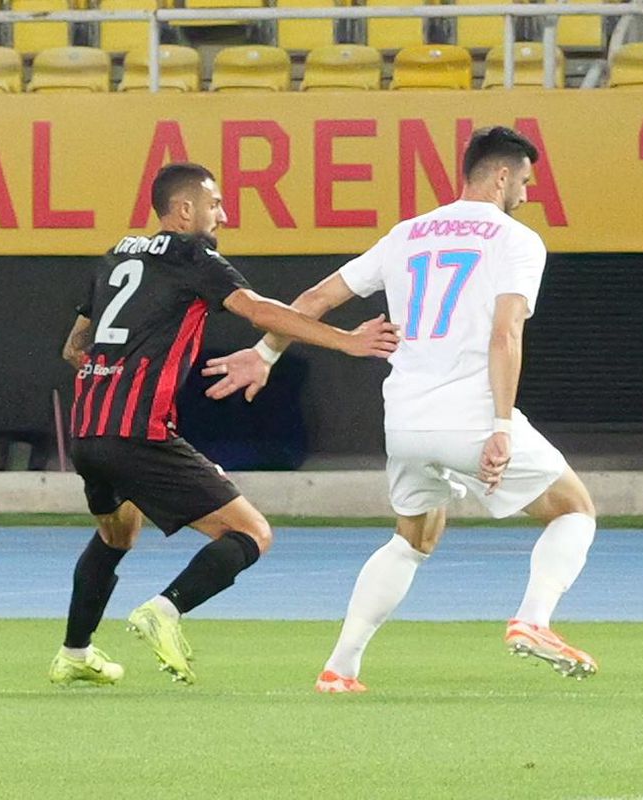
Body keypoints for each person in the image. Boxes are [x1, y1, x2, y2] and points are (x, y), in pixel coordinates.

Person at [202, 127, 599, 693]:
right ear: (504, 176)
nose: (528, 195)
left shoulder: (407, 234)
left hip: (405, 422)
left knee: (412, 538)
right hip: (470, 416)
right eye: (527, 182)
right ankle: (533, 620)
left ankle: (341, 667)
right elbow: (505, 334)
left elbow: (315, 300)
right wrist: (502, 426)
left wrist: (266, 354)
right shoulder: (516, 240)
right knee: (574, 510)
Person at [48, 162, 399, 686]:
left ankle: (74, 655)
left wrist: (113, 377)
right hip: (137, 431)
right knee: (251, 532)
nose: (224, 214)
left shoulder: (116, 254)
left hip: (89, 431)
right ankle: (164, 611)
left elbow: (74, 347)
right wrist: (348, 341)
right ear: (185, 210)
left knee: (117, 532)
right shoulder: (194, 256)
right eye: (216, 204)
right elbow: (259, 310)